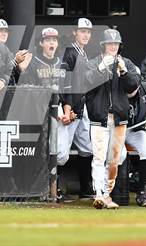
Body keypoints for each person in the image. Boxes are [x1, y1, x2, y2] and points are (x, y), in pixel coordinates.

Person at [84, 29, 140, 209]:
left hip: (119, 118)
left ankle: (107, 194)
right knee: (99, 157)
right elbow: (86, 82)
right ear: (103, 45)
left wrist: (123, 72)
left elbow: (133, 87)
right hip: (99, 117)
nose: (112, 47)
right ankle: (99, 194)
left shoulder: (127, 62)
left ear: (119, 46)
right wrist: (101, 68)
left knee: (114, 159)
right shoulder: (93, 62)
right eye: (109, 44)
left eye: (115, 44)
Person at [19, 27, 67, 201]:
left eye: (54, 40)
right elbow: (27, 90)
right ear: (41, 43)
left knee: (61, 154)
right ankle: (42, 189)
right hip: (38, 112)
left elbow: (68, 90)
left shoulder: (62, 63)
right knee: (41, 151)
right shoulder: (33, 63)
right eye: (48, 40)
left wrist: (67, 109)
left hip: (59, 111)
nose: (51, 42)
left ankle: (53, 185)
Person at [58, 18, 94, 200]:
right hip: (70, 108)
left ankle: (85, 188)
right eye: (82, 31)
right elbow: (64, 83)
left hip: (82, 107)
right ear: (74, 32)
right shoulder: (69, 52)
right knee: (61, 153)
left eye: (88, 31)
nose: (85, 34)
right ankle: (52, 188)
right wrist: (67, 107)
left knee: (87, 148)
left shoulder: (84, 53)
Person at [118, 79, 146, 207]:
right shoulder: (115, 88)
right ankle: (111, 191)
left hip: (135, 129)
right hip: (116, 129)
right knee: (119, 155)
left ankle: (142, 191)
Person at [0, 18, 32, 85]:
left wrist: (21, 70)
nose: (4, 34)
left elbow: (14, 80)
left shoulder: (8, 52)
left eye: (6, 31)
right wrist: (15, 62)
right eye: (0, 30)